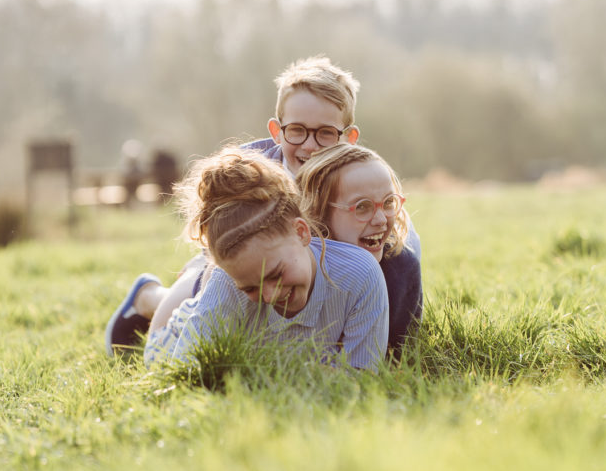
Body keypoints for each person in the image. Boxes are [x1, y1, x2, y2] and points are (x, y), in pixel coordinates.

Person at [105, 54, 422, 353]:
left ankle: (378, 342)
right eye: (297, 131)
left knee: (398, 261)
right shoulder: (253, 171)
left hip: (311, 264)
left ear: (348, 138)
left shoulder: (357, 176)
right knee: (207, 288)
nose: (310, 145)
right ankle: (149, 299)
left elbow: (392, 227)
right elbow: (222, 228)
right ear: (276, 131)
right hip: (245, 255)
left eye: (326, 133)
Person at [143, 146, 389, 372]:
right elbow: (185, 371)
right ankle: (145, 296)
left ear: (302, 232)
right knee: (200, 288)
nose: (270, 296)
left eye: (276, 275)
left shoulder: (360, 275)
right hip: (171, 336)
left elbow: (362, 376)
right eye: (250, 287)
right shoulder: (227, 282)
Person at [297, 143, 422, 352]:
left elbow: (396, 355)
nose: (381, 220)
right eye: (362, 206)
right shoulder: (296, 267)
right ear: (319, 212)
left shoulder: (401, 269)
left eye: (389, 202)